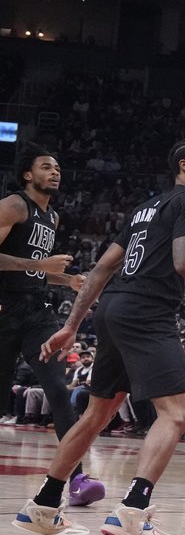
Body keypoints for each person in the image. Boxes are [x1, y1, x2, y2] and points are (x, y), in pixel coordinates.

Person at [14, 140, 185, 535]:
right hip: (146, 311)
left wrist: (71, 325)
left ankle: (43, 506)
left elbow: (102, 267)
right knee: (177, 414)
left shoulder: (145, 208)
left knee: (97, 413)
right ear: (184, 164)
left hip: (114, 307)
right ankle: (133, 511)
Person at [0, 145, 104, 506]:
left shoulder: (53, 218)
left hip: (39, 314)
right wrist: (44, 268)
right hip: (5, 308)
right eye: (46, 167)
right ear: (28, 175)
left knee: (59, 390)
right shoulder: (13, 205)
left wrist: (68, 280)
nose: (55, 172)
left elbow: (35, 268)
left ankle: (74, 479)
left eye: (57, 167)